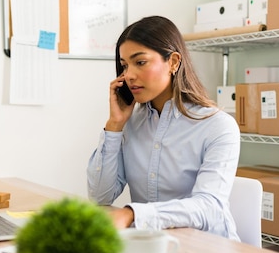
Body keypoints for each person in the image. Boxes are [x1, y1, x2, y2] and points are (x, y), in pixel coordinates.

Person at [87, 15, 241, 240]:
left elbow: (209, 207)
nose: (128, 75)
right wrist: (114, 126)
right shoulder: (131, 123)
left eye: (140, 62)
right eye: (124, 65)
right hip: (151, 246)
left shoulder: (218, 126)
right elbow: (101, 196)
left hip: (208, 250)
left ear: (173, 62)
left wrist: (133, 214)